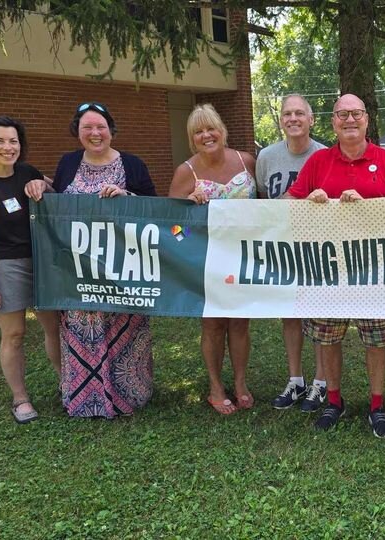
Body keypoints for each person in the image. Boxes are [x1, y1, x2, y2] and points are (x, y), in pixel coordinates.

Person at [285, 94, 385, 438]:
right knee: (327, 338)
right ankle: (335, 400)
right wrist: (309, 202)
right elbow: (287, 204)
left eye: (356, 113)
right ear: (333, 122)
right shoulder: (318, 162)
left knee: (376, 339)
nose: (350, 120)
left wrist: (370, 206)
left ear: (367, 119)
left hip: (376, 269)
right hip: (327, 271)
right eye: (342, 114)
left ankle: (376, 405)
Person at [40, 101, 157, 419]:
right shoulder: (67, 164)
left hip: (122, 271)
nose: (95, 133)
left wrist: (127, 199)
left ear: (111, 130)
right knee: (81, 330)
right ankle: (84, 399)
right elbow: (54, 204)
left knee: (125, 329)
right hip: (77, 271)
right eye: (87, 127)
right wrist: (41, 185)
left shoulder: (132, 165)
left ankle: (130, 395)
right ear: (77, 132)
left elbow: (154, 211)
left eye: (101, 126)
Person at [0, 116, 60, 424]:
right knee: (14, 333)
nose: (8, 147)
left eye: (13, 141)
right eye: (0, 141)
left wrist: (42, 183)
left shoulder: (27, 172)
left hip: (40, 261)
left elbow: (52, 187)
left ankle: (67, 384)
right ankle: (20, 399)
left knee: (54, 327)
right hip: (5, 265)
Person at [169, 103, 257, 415]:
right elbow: (174, 229)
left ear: (222, 130)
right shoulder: (186, 172)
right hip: (205, 261)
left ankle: (242, 382)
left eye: (211, 128)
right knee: (213, 325)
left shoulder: (247, 161)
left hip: (244, 257)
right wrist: (189, 211)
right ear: (192, 139)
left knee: (240, 323)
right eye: (198, 132)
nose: (206, 135)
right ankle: (216, 386)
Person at [256, 94, 328, 412]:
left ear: (311, 120)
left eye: (300, 113)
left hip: (319, 247)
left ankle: (321, 383)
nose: (294, 118)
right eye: (288, 113)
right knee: (291, 315)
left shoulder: (326, 155)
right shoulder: (267, 157)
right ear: (281, 120)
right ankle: (296, 380)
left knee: (322, 317)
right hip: (283, 248)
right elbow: (262, 198)